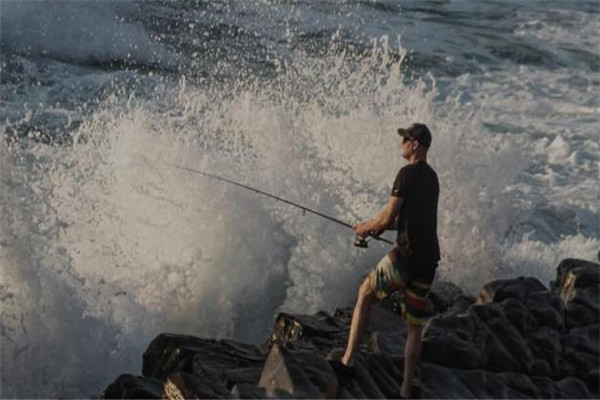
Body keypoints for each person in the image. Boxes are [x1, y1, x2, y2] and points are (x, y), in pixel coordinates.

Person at [331, 123, 441, 399]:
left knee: (365, 293)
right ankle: (405, 389)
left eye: (405, 139)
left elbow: (389, 218)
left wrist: (365, 227)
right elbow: (410, 221)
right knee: (414, 326)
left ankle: (348, 361)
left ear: (415, 145)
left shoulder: (405, 174)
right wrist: (378, 228)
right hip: (428, 261)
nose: (401, 143)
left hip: (405, 258)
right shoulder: (432, 178)